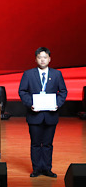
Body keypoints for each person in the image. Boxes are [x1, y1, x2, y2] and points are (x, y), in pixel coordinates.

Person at [18, 47, 68, 178]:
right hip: (35, 114)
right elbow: (22, 91)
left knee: (47, 144)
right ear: (36, 59)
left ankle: (47, 168)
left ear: (49, 59)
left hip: (51, 115)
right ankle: (36, 169)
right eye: (40, 57)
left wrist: (57, 104)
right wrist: (31, 104)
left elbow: (63, 91)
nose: (42, 60)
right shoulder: (28, 74)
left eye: (45, 57)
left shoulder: (57, 74)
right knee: (35, 143)